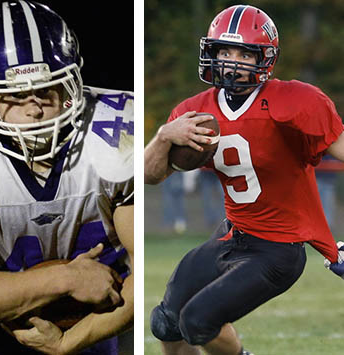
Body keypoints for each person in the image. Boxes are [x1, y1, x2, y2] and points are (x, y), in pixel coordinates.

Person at [0, 1, 134, 354]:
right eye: (14, 95)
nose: (34, 108)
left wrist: (72, 339)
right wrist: (64, 278)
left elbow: (146, 272)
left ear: (72, 83)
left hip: (96, 316)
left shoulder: (115, 137)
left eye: (46, 90)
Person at [145, 5, 344, 355]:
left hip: (278, 250)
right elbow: (150, 175)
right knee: (165, 323)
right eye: (224, 51)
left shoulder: (296, 100)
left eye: (244, 53)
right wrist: (164, 135)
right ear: (211, 53)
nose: (232, 61)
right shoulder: (193, 112)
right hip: (233, 234)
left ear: (263, 59)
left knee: (197, 322)